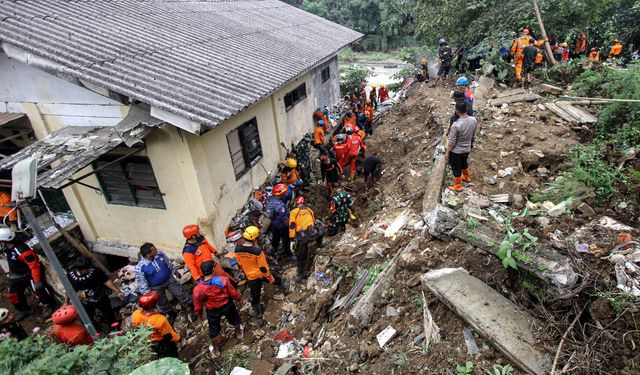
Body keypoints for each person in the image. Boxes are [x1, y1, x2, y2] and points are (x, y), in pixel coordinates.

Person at [0, 228, 55, 320]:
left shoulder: (22, 250)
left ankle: (48, 304)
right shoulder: (6, 249)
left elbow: (34, 266)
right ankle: (24, 309)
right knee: (13, 294)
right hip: (18, 275)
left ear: (4, 241)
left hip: (30, 274)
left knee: (38, 289)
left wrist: (37, 280)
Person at [135, 243, 197, 324]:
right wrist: (148, 294)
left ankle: (192, 308)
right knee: (162, 302)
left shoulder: (160, 255)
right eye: (154, 250)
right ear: (148, 254)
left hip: (169, 279)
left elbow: (168, 264)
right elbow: (142, 283)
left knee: (180, 293)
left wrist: (175, 272)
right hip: (155, 287)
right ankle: (171, 314)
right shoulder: (140, 267)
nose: (156, 250)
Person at [193, 261, 243, 358]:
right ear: (212, 270)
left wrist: (198, 313)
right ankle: (239, 332)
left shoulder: (198, 289)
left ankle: (215, 349)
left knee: (214, 329)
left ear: (202, 272)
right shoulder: (223, 280)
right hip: (227, 304)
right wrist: (238, 298)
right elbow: (232, 292)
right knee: (234, 319)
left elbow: (198, 304)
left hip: (212, 310)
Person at [234, 226, 282, 317]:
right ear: (255, 238)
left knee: (255, 294)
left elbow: (239, 263)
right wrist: (269, 276)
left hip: (250, 276)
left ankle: (257, 311)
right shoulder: (257, 251)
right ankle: (283, 286)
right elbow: (263, 267)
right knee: (275, 279)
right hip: (260, 274)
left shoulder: (237, 249)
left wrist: (244, 272)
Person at [68, 257, 122, 328]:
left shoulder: (95, 270)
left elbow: (106, 281)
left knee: (109, 315)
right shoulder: (70, 275)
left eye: (89, 267)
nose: (89, 269)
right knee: (88, 318)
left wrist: (117, 291)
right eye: (87, 269)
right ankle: (96, 331)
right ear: (79, 269)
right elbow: (68, 289)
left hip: (100, 297)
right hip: (85, 301)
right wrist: (66, 302)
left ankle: (115, 329)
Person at [131, 291, 180, 358]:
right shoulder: (160, 319)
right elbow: (170, 335)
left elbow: (135, 326)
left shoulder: (136, 314)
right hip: (163, 343)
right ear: (153, 305)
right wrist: (178, 339)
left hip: (149, 343)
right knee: (173, 357)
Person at [289, 197, 323, 283]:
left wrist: (292, 239)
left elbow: (292, 225)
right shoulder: (309, 210)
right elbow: (314, 221)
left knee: (301, 257)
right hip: (312, 234)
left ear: (296, 204)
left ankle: (301, 276)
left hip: (302, 237)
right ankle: (319, 244)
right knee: (320, 231)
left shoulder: (294, 212)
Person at [446, 103, 478, 192]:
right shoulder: (473, 120)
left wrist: (447, 152)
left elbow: (451, 142)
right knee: (464, 163)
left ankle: (458, 186)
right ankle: (466, 177)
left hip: (456, 151)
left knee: (456, 167)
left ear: (457, 111)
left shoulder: (456, 125)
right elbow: (473, 134)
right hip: (467, 148)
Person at [265, 183, 294, 260]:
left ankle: (274, 250)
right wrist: (291, 228)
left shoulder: (269, 199)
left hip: (274, 222)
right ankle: (289, 254)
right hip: (282, 225)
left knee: (275, 237)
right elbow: (285, 220)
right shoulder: (280, 206)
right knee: (286, 239)